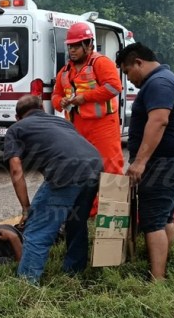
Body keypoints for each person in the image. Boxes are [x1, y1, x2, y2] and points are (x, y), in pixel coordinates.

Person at [4, 95, 102, 285]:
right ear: (42, 108)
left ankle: (26, 284)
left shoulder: (16, 129)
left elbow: (16, 169)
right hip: (95, 166)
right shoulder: (62, 122)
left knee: (37, 228)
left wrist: (26, 208)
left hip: (67, 171)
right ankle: (74, 273)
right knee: (76, 221)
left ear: (17, 117)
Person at [115, 42, 174, 280]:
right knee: (164, 217)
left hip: (165, 164)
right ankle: (162, 264)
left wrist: (139, 162)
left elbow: (159, 121)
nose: (129, 80)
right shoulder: (160, 81)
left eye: (128, 72)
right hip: (170, 162)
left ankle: (157, 279)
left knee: (152, 222)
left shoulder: (159, 83)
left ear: (138, 62)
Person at [52, 22, 124, 216]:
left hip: (103, 126)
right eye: (70, 46)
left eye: (76, 46)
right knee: (84, 171)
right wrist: (63, 101)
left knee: (110, 169)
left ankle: (115, 215)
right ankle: (92, 213)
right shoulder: (65, 71)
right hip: (77, 128)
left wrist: (85, 98)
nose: (72, 50)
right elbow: (55, 97)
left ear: (88, 45)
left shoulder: (100, 63)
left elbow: (114, 87)